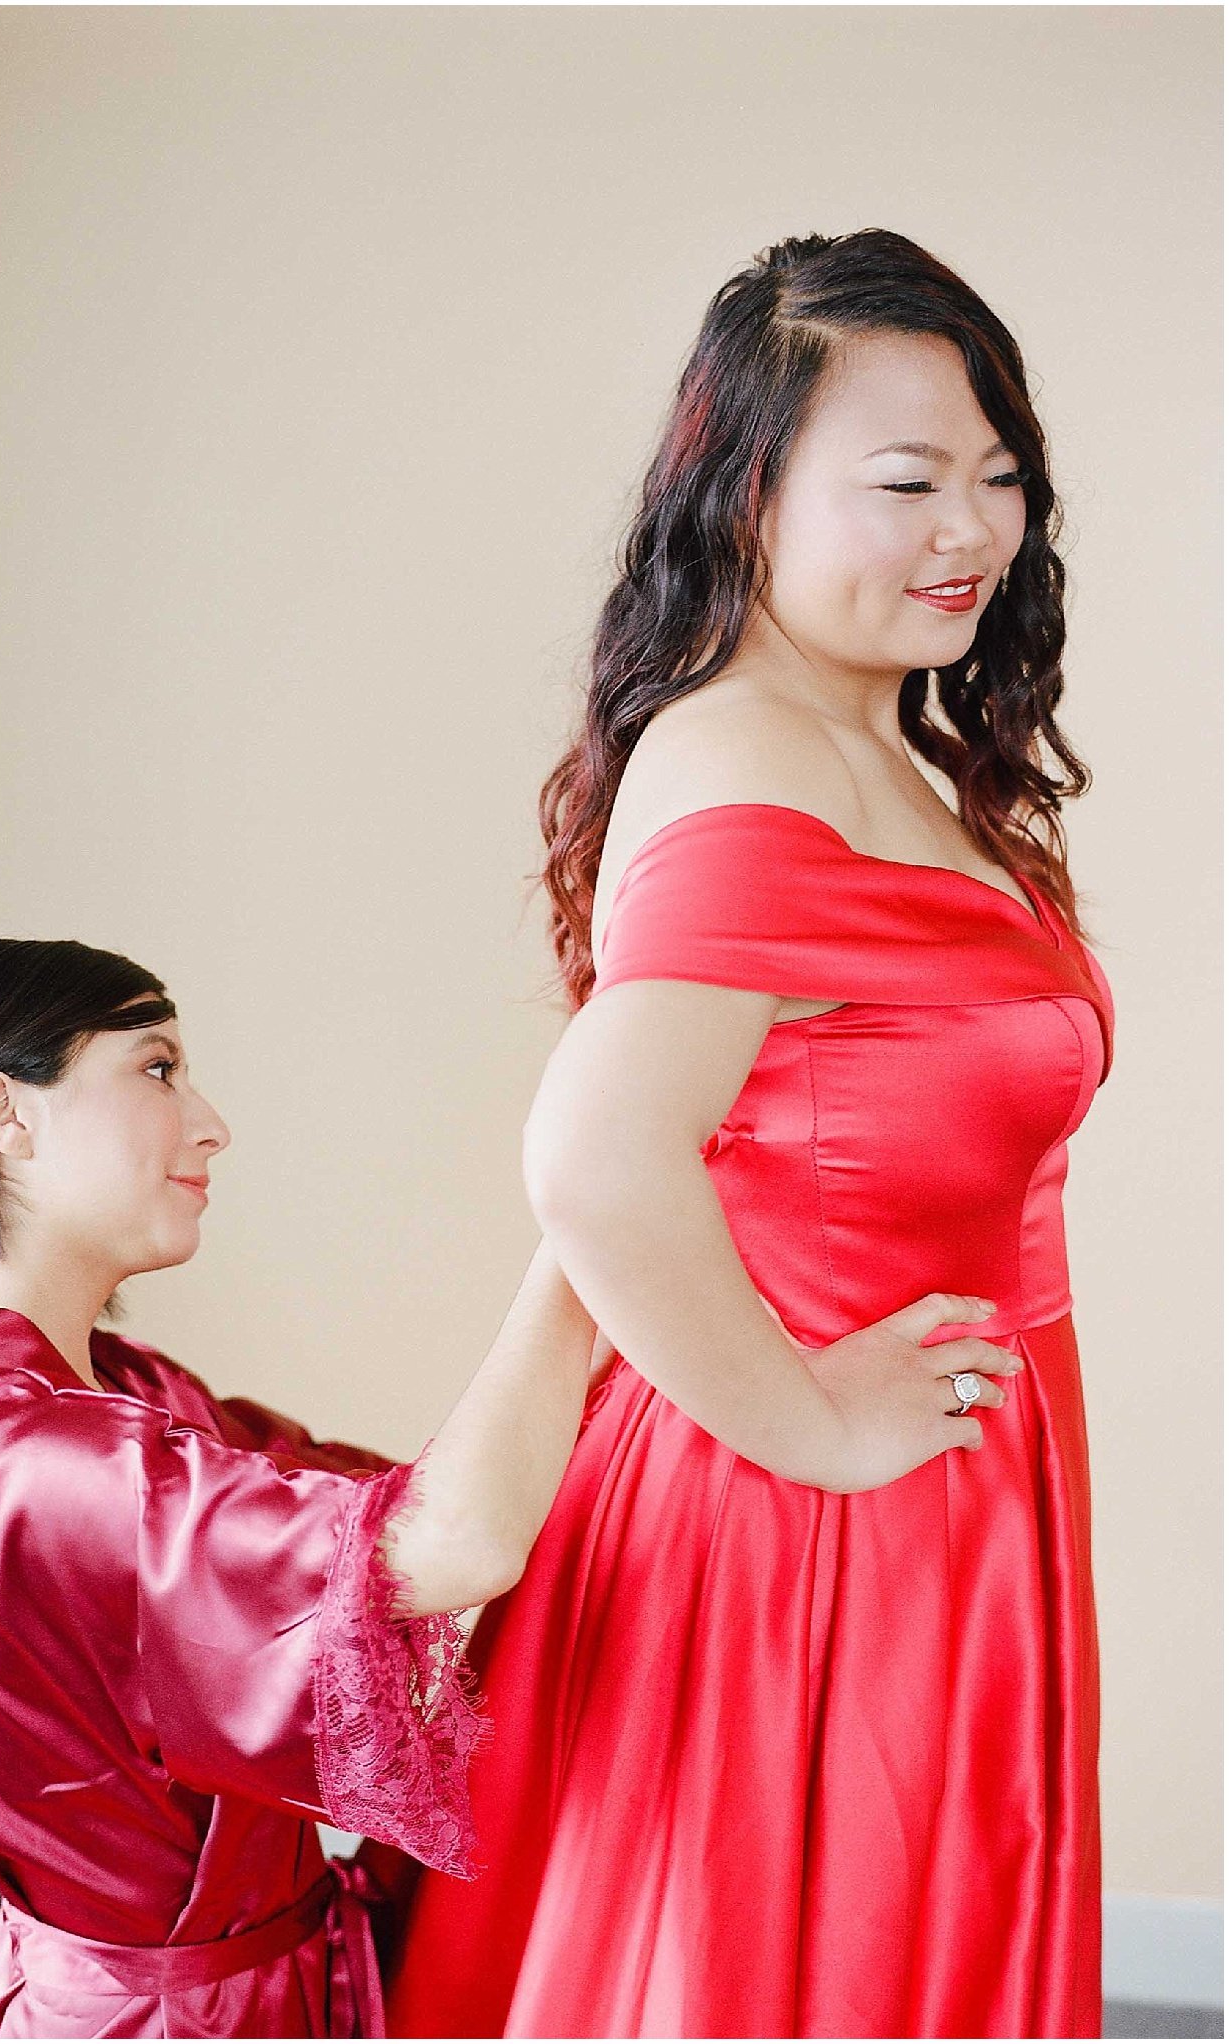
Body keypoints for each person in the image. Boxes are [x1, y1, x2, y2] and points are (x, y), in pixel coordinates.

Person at [386, 230, 1115, 2039]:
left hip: (950, 1488)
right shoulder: (748, 754)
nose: (973, 528)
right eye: (908, 481)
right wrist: (811, 1423)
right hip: (792, 1518)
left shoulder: (901, 756)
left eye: (999, 478)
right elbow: (596, 1155)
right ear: (747, 497)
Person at [0, 936, 599, 2039]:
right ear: (4, 1111)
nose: (210, 1122)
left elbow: (384, 1500)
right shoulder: (35, 1457)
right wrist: (591, 1213)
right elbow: (448, 1542)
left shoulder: (80, 1386)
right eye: (155, 1067)